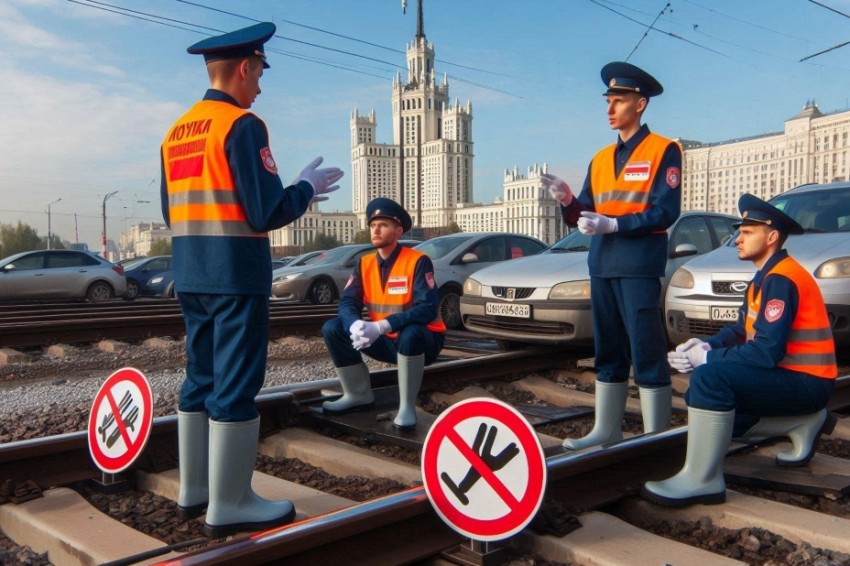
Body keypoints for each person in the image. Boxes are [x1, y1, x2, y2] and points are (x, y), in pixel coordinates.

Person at [160, 22, 344, 538]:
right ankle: (231, 503)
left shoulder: (176, 133)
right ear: (245, 67)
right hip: (236, 274)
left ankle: (195, 490)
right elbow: (265, 211)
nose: (260, 86)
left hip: (190, 273)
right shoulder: (242, 125)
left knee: (200, 378)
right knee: (237, 384)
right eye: (260, 73)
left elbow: (171, 212)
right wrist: (305, 187)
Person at [643, 194, 837, 507]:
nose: (738, 239)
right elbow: (740, 330)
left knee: (710, 380)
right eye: (739, 232)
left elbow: (765, 352)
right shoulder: (765, 277)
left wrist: (707, 359)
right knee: (702, 397)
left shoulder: (782, 280)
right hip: (791, 377)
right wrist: (706, 344)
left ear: (771, 237)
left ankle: (703, 480)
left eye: (747, 232)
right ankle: (803, 423)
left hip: (807, 382)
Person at [540, 62, 682, 450]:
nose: (610, 108)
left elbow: (665, 211)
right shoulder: (601, 158)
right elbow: (587, 213)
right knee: (608, 350)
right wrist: (568, 200)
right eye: (608, 101)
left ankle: (655, 438)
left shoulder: (663, 150)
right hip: (602, 264)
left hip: (637, 265)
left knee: (646, 349)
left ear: (640, 103)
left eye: (618, 100)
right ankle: (607, 429)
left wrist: (616, 224)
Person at [321, 198, 445, 430]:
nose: (376, 230)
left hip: (423, 342)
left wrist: (381, 326)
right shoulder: (364, 263)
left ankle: (406, 406)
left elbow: (427, 308)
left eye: (383, 225)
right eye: (373, 225)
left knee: (410, 332)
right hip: (386, 341)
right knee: (333, 328)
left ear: (398, 231)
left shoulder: (417, 261)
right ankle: (357, 394)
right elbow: (348, 301)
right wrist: (354, 324)